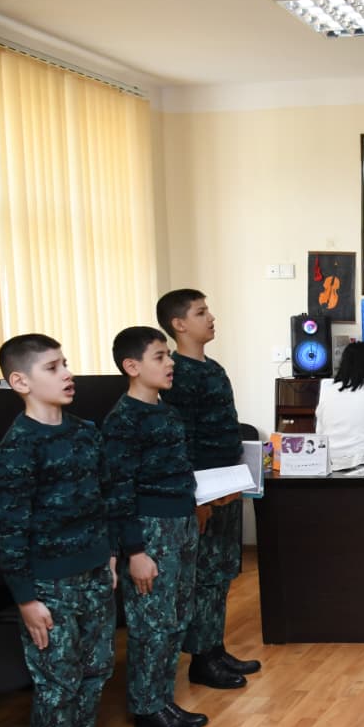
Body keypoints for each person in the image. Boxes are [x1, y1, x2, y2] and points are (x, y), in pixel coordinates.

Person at [0, 333, 135, 727]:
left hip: (95, 572)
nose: (68, 374)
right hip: (48, 586)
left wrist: (112, 555)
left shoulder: (85, 432)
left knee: (95, 671)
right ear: (21, 382)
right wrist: (25, 598)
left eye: (66, 364)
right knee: (58, 682)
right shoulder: (18, 447)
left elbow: (106, 498)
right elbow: (9, 529)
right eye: (53, 368)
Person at [102, 326, 206, 727]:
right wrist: (135, 551)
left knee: (176, 617)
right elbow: (118, 491)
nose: (170, 363)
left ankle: (162, 699)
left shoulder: (167, 411)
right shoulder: (123, 420)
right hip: (150, 531)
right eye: (160, 356)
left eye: (169, 355)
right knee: (152, 623)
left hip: (181, 523)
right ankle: (147, 709)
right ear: (132, 366)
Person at [157, 288, 260, 690]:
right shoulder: (177, 374)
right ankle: (202, 658)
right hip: (204, 490)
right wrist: (195, 499)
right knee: (203, 576)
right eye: (201, 313)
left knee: (221, 572)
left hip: (228, 484)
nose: (211, 318)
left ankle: (215, 649)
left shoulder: (213, 368)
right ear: (179, 324)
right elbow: (182, 441)